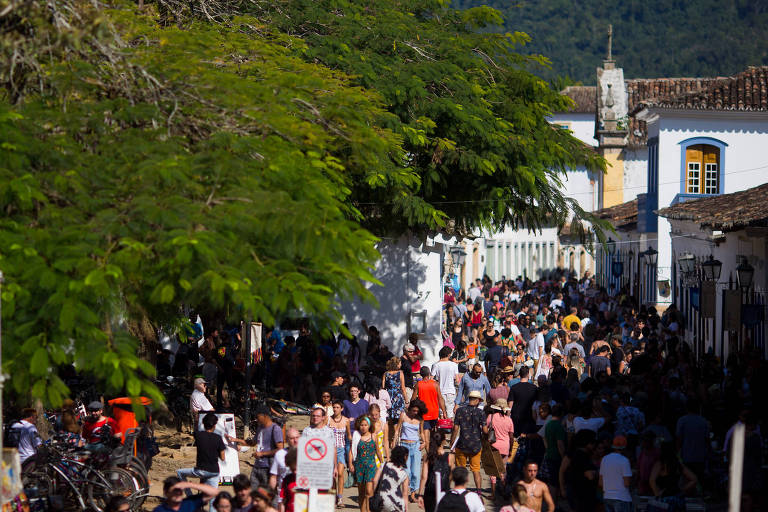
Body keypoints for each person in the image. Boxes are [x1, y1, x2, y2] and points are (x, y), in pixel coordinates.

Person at [228, 406, 284, 488]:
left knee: (266, 492)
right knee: (253, 491)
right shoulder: (260, 428)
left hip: (268, 467)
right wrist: (235, 440)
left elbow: (280, 449)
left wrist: (262, 454)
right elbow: (252, 443)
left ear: (265, 416)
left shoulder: (275, 429)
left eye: (258, 417)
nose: (256, 419)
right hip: (257, 465)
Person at [177, 413, 226, 492]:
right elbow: (223, 458)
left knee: (179, 472)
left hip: (201, 470)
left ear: (203, 424)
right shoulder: (218, 438)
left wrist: (196, 419)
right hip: (215, 471)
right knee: (212, 496)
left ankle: (189, 495)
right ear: (214, 426)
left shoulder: (198, 435)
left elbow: (195, 428)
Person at [450, 390, 487, 492]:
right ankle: (479, 491)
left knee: (461, 469)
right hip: (476, 444)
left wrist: (452, 442)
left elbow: (456, 428)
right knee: (476, 470)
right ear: (477, 400)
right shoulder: (481, 413)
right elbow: (484, 430)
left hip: (462, 444)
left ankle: (460, 490)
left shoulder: (460, 411)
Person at [393, 400, 426, 500]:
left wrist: (424, 442)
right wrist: (394, 441)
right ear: (410, 408)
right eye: (413, 410)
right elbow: (398, 429)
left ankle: (413, 493)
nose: (415, 413)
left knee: (415, 471)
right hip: (404, 445)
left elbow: (421, 432)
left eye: (417, 411)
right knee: (406, 471)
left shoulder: (420, 419)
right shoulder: (403, 416)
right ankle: (405, 493)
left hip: (415, 445)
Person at [352, 416, 383, 512]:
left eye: (365, 425)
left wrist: (382, 464)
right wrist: (350, 464)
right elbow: (351, 451)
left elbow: (378, 450)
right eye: (362, 425)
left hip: (371, 466)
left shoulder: (374, 436)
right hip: (359, 466)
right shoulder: (357, 436)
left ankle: (369, 510)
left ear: (369, 426)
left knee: (369, 492)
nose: (363, 427)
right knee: (361, 492)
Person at [418, 431, 453, 512]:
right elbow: (451, 475)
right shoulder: (450, 457)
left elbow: (424, 477)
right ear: (443, 441)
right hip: (444, 489)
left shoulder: (427, 456)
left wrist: (420, 494)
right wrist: (447, 485)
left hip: (430, 489)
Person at [486, 399, 514, 498]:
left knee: (493, 471)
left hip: (494, 446)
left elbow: (485, 430)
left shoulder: (491, 417)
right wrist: (510, 449)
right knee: (503, 470)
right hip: (505, 447)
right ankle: (504, 491)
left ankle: (493, 494)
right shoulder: (509, 420)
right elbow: (511, 436)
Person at [412, 367, 447, 447]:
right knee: (434, 434)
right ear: (429, 374)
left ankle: (429, 455)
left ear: (421, 375)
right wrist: (444, 411)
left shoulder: (418, 385)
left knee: (426, 438)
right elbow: (440, 399)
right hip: (434, 412)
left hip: (423, 414)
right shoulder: (435, 384)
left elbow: (413, 400)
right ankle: (434, 452)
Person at [675, 398, 708, 482]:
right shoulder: (703, 421)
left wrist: (677, 455)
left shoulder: (682, 421)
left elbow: (679, 440)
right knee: (698, 482)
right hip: (700, 457)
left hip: (686, 457)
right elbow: (707, 440)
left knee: (688, 482)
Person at [599, 436, 633, 512]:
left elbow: (600, 483)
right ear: (625, 447)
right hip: (621, 497)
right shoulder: (624, 461)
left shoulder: (604, 459)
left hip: (607, 497)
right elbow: (627, 483)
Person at [371, 445, 410, 512]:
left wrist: (374, 494)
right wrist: (406, 508)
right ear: (405, 457)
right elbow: (405, 494)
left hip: (382, 500)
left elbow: (375, 481)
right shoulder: (404, 474)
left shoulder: (384, 465)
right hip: (396, 502)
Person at [329, 400, 352, 506]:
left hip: (341, 449)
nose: (335, 409)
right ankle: (333, 496)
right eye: (334, 407)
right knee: (333, 475)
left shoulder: (346, 420)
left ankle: (340, 498)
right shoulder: (328, 420)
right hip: (330, 449)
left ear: (342, 409)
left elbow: (348, 436)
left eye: (337, 407)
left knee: (341, 473)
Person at [152, 476, 219, 512]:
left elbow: (215, 492)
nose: (178, 493)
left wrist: (189, 484)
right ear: (166, 492)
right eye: (175, 490)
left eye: (180, 489)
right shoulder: (160, 510)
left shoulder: (189, 503)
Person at [269, 428, 300, 504]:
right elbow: (273, 477)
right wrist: (270, 495)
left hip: (302, 495)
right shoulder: (280, 454)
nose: (295, 441)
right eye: (292, 438)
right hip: (284, 496)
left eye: (297, 437)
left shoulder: (308, 454)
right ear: (286, 440)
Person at [507, 366, 537, 436]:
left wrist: (507, 417)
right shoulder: (534, 388)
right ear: (528, 374)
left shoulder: (514, 388)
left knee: (516, 440)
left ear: (519, 375)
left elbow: (510, 405)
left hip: (516, 417)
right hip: (530, 417)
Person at [432, 346, 459, 418]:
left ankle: (441, 428)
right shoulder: (454, 365)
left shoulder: (436, 365)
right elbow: (457, 380)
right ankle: (449, 428)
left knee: (441, 413)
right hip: (451, 391)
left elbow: (431, 379)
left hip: (440, 392)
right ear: (449, 354)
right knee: (450, 413)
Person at [383, 357, 407, 426]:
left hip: (389, 396)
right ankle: (397, 434)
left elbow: (383, 387)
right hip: (398, 396)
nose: (401, 365)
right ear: (397, 364)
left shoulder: (386, 374)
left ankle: (390, 434)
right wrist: (406, 400)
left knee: (389, 418)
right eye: (400, 363)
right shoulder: (400, 373)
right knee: (399, 418)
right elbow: (403, 388)